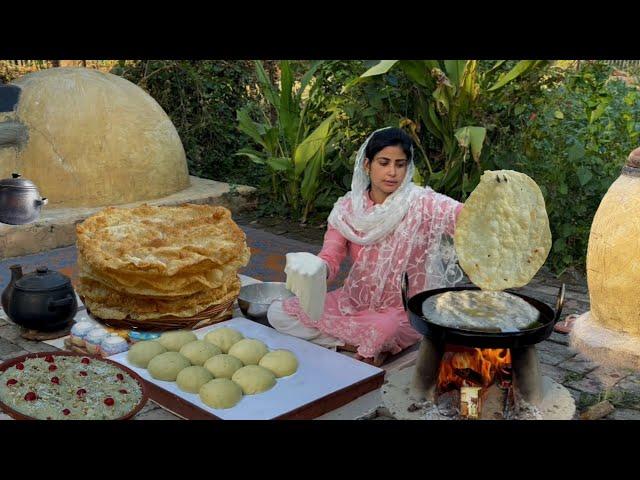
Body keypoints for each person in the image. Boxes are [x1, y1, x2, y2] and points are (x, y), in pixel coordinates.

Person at [267, 127, 464, 366]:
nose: (392, 172)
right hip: (353, 303)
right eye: (384, 163)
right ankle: (350, 345)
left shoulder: (422, 203)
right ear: (367, 165)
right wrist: (317, 268)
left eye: (400, 164)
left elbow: (466, 218)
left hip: (399, 311)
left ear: (408, 168)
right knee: (278, 313)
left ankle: (371, 343)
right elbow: (332, 256)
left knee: (386, 330)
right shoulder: (348, 209)